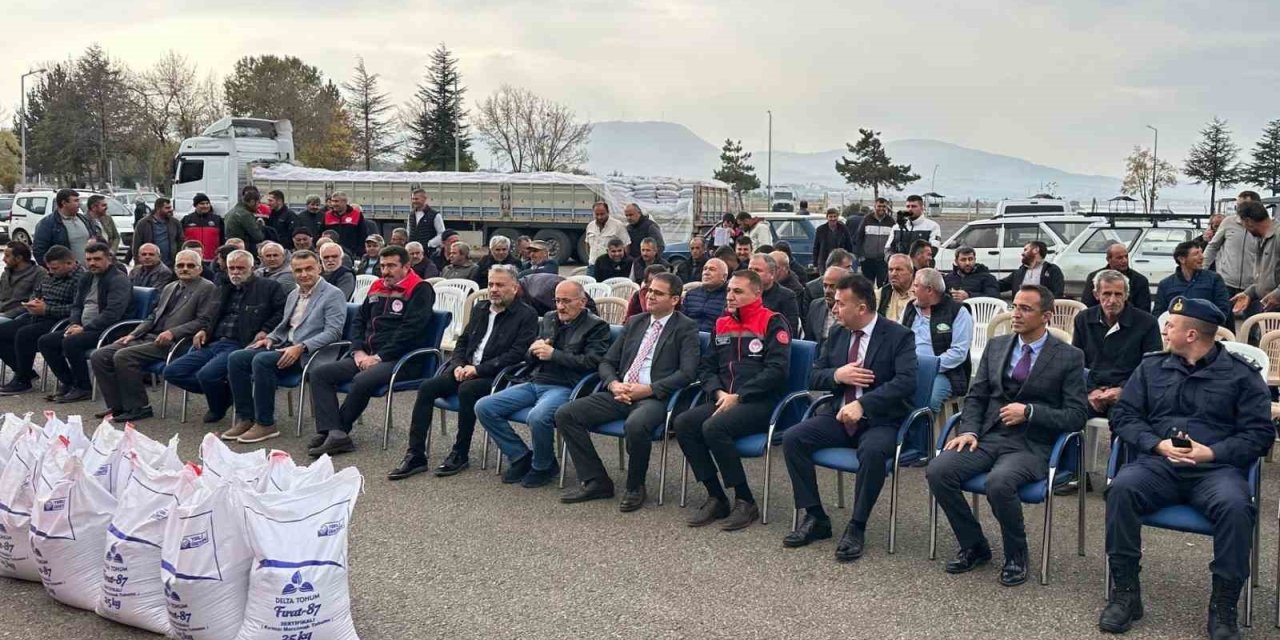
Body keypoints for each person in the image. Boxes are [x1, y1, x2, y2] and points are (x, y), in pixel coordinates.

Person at [1099, 297, 1272, 638]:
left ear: (1191, 334)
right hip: (1158, 465)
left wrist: (1212, 452)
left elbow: (1260, 435)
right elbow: (1123, 416)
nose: (1164, 329)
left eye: (1171, 325)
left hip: (1215, 470)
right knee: (1121, 488)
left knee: (1237, 508)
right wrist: (1155, 444)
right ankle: (1126, 594)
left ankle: (1223, 607)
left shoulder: (1240, 375)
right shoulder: (1151, 368)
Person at [926, 285, 1087, 587]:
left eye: (1026, 308)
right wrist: (970, 430)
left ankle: (1016, 553)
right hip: (988, 436)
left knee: (999, 483)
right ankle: (974, 544)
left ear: (1046, 316)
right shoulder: (997, 346)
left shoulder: (1069, 357)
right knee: (938, 470)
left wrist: (1030, 412)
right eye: (1015, 306)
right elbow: (977, 396)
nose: (1016, 314)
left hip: (1031, 444)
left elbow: (1077, 415)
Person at [782, 273, 918, 558]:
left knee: (872, 452)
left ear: (862, 307)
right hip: (839, 416)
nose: (834, 309)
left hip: (879, 420)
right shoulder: (838, 333)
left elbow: (906, 382)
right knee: (794, 438)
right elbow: (814, 376)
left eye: (841, 303)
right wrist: (837, 374)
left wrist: (864, 405)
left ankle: (857, 525)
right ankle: (816, 516)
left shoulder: (898, 336)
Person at [556, 273, 699, 508]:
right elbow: (606, 361)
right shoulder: (636, 322)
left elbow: (687, 373)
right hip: (620, 392)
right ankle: (596, 480)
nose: (650, 295)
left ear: (674, 299)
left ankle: (635, 486)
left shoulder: (686, 327)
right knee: (566, 414)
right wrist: (613, 384)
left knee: (635, 425)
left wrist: (648, 389)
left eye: (658, 293)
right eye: (650, 290)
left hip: (653, 397)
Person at [389, 265, 538, 480]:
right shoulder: (480, 309)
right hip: (465, 368)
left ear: (514, 288)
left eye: (500, 285)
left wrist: (478, 369)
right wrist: (457, 364)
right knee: (427, 387)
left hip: (497, 375)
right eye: (490, 284)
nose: (494, 289)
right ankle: (416, 455)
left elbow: (517, 354)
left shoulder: (526, 315)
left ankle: (460, 452)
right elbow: (463, 342)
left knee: (468, 390)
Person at [675, 269, 791, 531]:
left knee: (714, 427)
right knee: (684, 423)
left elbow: (777, 371)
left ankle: (745, 499)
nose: (730, 296)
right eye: (729, 290)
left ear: (757, 293)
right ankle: (716, 496)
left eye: (738, 291)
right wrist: (718, 393)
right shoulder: (721, 323)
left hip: (760, 403)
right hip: (724, 398)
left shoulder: (773, 321)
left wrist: (739, 396)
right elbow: (706, 368)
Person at [476, 280, 610, 488]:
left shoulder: (596, 326)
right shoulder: (549, 318)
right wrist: (532, 350)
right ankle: (520, 456)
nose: (560, 307)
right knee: (484, 406)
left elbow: (592, 363)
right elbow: (529, 357)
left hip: (566, 385)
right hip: (535, 380)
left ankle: (543, 465)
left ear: (582, 302)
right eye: (557, 301)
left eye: (566, 301)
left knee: (537, 417)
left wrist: (554, 354)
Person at [307, 245, 436, 455]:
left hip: (403, 359)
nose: (386, 271)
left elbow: (411, 330)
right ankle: (333, 431)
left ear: (406, 266)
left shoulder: (420, 289)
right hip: (366, 355)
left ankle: (338, 430)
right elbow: (359, 321)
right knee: (319, 374)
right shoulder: (377, 285)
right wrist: (358, 351)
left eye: (392, 266)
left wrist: (379, 357)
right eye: (383, 265)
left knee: (362, 379)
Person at [223, 250, 347, 444]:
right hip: (285, 345)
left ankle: (265, 423)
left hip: (310, 353)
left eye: (309, 269)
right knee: (237, 358)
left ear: (319, 269)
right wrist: (270, 338)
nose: (304, 274)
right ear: (293, 272)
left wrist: (301, 347)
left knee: (262, 360)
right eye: (298, 271)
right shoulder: (294, 293)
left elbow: (334, 332)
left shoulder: (333, 294)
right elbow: (285, 326)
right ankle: (245, 417)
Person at [91, 250, 218, 422]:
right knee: (99, 355)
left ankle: (139, 407)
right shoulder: (170, 287)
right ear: (175, 268)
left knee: (123, 356)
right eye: (180, 265)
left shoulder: (207, 288)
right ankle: (117, 406)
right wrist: (133, 334)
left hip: (176, 343)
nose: (185, 269)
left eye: (190, 266)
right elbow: (153, 316)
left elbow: (204, 321)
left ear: (200, 268)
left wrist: (173, 332)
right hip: (150, 336)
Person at [162, 249, 286, 424]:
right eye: (231, 268)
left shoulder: (269, 287)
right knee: (172, 372)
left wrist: (266, 330)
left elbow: (281, 313)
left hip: (240, 344)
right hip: (214, 341)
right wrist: (204, 329)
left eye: (241, 268)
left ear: (252, 267)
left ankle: (217, 406)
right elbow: (212, 315)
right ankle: (227, 394)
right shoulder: (223, 287)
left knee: (207, 375)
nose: (235, 272)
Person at [38, 243, 131, 402]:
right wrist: (74, 323)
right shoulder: (87, 277)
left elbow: (112, 314)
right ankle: (70, 382)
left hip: (106, 330)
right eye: (89, 259)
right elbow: (77, 305)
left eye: (97, 259)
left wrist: (84, 328)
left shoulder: (118, 280)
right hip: (83, 327)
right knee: (46, 341)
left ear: (109, 258)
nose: (92, 263)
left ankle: (83, 387)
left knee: (71, 342)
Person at [1073, 270, 1162, 419]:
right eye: (1106, 294)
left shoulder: (1147, 323)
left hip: (1130, 393)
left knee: (1125, 421)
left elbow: (1152, 366)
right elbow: (1076, 362)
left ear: (1126, 295)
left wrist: (1123, 389)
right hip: (1092, 392)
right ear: (1096, 295)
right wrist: (1091, 390)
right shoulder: (1083, 319)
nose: (1112, 300)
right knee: (1066, 414)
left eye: (1118, 294)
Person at [0, 246, 81, 395]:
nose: (50, 272)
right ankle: (23, 371)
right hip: (37, 314)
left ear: (69, 264)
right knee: (3, 332)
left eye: (55, 268)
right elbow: (37, 292)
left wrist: (46, 309)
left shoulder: (80, 279)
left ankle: (22, 380)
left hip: (58, 319)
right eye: (49, 268)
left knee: (25, 334)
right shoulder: (50, 276)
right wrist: (33, 302)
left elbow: (77, 308)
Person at [902, 268, 973, 413]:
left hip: (945, 372)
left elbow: (959, 353)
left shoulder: (958, 312)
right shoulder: (910, 308)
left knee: (927, 400)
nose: (912, 290)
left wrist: (928, 367)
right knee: (890, 393)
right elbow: (898, 336)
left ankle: (925, 435)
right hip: (909, 368)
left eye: (916, 286)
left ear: (929, 290)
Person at [1154, 241, 1231, 325]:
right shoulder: (1166, 284)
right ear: (1182, 259)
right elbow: (1159, 314)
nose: (1202, 257)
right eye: (1196, 254)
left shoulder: (1214, 279)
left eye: (1201, 252)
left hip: (1207, 329)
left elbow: (1223, 308)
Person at [1229, 201, 1280, 321]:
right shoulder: (1262, 238)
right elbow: (1267, 276)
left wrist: (1278, 295)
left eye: (1242, 223)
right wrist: (1250, 292)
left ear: (1248, 221)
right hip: (1268, 309)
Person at [1204, 192, 1259, 298]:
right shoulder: (1229, 222)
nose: (1239, 209)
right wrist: (1202, 270)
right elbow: (1213, 246)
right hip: (1226, 283)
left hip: (1253, 286)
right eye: (1237, 206)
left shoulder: (1264, 226)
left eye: (1242, 206)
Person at [33, 189, 104, 267]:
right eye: (75, 201)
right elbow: (39, 251)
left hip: (89, 270)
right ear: (64, 203)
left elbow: (97, 239)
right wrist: (53, 270)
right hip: (67, 274)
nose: (79, 204)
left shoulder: (84, 219)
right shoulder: (47, 224)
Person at [1082, 243, 1153, 312]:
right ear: (1109, 259)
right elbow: (1087, 306)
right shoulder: (1094, 278)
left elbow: (1144, 310)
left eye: (1126, 256)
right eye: (1119, 258)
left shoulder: (1140, 280)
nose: (1124, 261)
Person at [750, 253, 800, 334]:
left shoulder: (787, 296)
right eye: (750, 270)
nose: (751, 274)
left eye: (757, 270)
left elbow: (790, 330)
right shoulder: (741, 293)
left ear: (772, 274)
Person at [802, 266, 850, 348]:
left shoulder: (851, 310)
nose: (827, 291)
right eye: (825, 286)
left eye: (832, 286)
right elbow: (809, 340)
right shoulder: (815, 306)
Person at [130, 197, 184, 267]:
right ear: (158, 209)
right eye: (167, 208)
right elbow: (136, 244)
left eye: (170, 207)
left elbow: (181, 241)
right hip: (149, 264)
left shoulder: (175, 222)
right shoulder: (143, 223)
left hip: (170, 264)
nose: (171, 210)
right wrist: (137, 263)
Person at [998, 241, 1064, 297]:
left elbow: (1058, 294)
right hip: (1020, 309)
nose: (1022, 254)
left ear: (1036, 250)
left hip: (1042, 310)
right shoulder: (1019, 273)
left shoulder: (1052, 270)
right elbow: (1001, 285)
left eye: (1026, 250)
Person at [681, 258, 730, 334]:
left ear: (724, 277)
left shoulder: (729, 297)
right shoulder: (691, 294)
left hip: (715, 338)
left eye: (712, 269)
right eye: (705, 269)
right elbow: (682, 321)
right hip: (689, 337)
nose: (706, 273)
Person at [0, 242, 47, 321]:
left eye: (7, 256)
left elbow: (33, 303)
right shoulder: (6, 273)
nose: (3, 259)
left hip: (17, 316)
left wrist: (5, 315)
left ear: (19, 258)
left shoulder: (39, 273)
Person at [854, 198, 894, 286]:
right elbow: (859, 238)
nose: (881, 208)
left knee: (883, 286)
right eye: (879, 206)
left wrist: (890, 256)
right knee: (867, 286)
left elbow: (894, 241)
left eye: (884, 206)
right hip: (868, 259)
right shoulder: (866, 219)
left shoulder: (890, 221)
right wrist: (860, 255)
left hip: (883, 260)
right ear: (874, 206)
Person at [322, 191, 368, 258]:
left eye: (336, 201)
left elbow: (363, 235)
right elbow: (322, 234)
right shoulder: (327, 215)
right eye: (332, 201)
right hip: (332, 253)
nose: (333, 204)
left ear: (345, 202)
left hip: (352, 254)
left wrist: (359, 253)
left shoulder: (356, 215)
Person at [224, 185, 267, 257]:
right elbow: (259, 237)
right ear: (252, 202)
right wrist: (260, 225)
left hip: (231, 248)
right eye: (258, 203)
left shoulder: (231, 211)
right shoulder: (245, 215)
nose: (259, 206)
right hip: (242, 250)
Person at [584, 201, 630, 267]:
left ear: (608, 212)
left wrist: (621, 264)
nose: (599, 217)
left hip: (611, 267)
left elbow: (626, 245)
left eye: (602, 214)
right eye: (597, 214)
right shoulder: (590, 226)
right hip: (593, 265)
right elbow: (587, 245)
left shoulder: (618, 225)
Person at [181, 193, 225, 262]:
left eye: (207, 203)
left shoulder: (217, 219)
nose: (205, 206)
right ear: (195, 205)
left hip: (212, 260)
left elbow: (223, 239)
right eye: (202, 204)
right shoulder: (187, 219)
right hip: (192, 259)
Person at [876, 254, 915, 323]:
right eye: (890, 270)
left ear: (911, 272)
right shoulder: (882, 293)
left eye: (898, 269)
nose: (893, 274)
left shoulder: (920, 293)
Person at [407, 188, 445, 256]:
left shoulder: (435, 215)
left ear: (424, 199)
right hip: (413, 253)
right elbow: (409, 231)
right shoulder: (411, 214)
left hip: (428, 253)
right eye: (413, 199)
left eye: (416, 199)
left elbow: (441, 234)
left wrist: (429, 244)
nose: (414, 201)